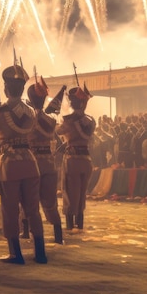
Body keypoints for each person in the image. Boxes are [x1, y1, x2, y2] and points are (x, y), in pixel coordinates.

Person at [0, 63, 47, 264]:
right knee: (32, 209)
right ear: (21, 90)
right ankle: (40, 252)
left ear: (5, 89)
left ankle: (15, 253)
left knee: (9, 209)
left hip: (10, 162)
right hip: (30, 161)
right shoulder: (31, 112)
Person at [26, 77, 65, 245]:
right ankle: (58, 234)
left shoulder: (27, 119)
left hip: (31, 162)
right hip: (49, 162)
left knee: (28, 201)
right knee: (50, 202)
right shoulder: (51, 120)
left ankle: (27, 233)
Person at [57, 84, 96, 231]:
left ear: (73, 103)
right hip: (86, 159)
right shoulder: (91, 121)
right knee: (81, 192)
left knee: (69, 191)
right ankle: (80, 221)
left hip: (72, 160)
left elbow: (58, 131)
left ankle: (69, 222)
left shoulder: (68, 120)